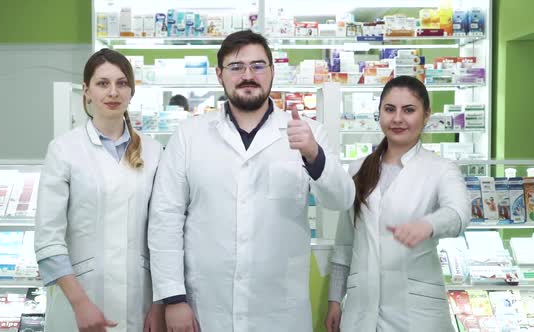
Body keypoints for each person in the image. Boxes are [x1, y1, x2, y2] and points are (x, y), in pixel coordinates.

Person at [148, 30, 355, 332]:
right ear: (220, 75)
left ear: (272, 71)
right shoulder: (190, 136)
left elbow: (342, 199)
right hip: (206, 306)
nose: (248, 75)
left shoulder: (307, 131)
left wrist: (313, 154)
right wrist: (173, 298)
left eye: (258, 66)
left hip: (279, 310)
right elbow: (165, 217)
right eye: (236, 67)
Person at [325, 75, 470, 332]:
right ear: (379, 113)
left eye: (409, 110)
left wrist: (428, 225)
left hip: (417, 314)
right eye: (389, 109)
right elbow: (345, 244)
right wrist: (335, 300)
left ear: (426, 115)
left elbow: (459, 214)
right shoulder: (359, 169)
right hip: (361, 310)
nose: (398, 119)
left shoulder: (441, 169)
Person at [34, 48, 165, 332]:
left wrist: (160, 303)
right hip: (78, 300)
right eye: (103, 83)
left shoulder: (155, 152)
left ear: (131, 91)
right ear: (86, 91)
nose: (113, 92)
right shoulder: (64, 150)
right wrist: (80, 303)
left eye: (121, 83)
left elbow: (163, 232)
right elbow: (48, 239)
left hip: (140, 302)